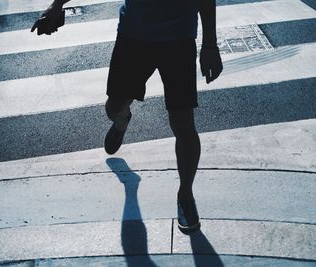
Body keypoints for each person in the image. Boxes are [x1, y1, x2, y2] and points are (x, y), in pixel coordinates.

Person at [32, 0, 223, 234]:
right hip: (134, 37)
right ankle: (122, 121)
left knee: (183, 123)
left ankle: (186, 194)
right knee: (113, 108)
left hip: (178, 39)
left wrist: (210, 44)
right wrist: (57, 5)